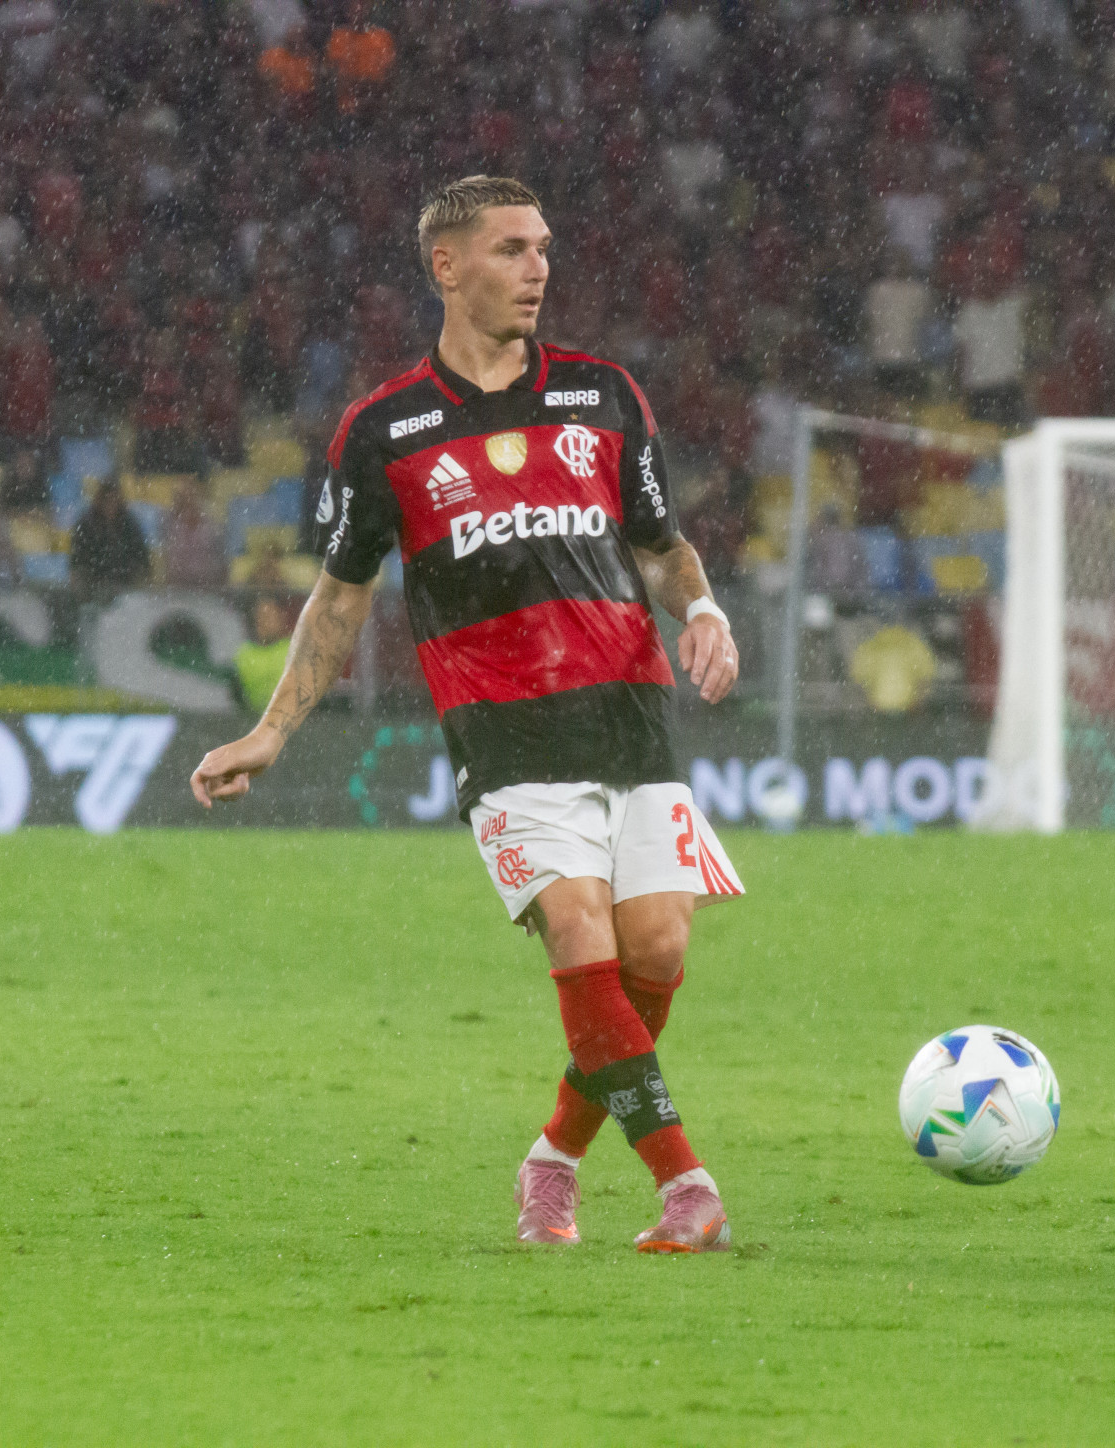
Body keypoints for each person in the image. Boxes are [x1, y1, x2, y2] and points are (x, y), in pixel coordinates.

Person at [190, 175, 745, 1254]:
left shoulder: (604, 395)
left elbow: (662, 543)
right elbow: (340, 594)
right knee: (580, 926)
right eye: (509, 249)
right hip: (506, 734)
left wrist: (707, 606)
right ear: (446, 266)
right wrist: (273, 728)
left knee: (660, 947)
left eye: (543, 247)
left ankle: (554, 1158)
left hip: (633, 721)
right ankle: (687, 1185)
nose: (537, 267)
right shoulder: (385, 430)